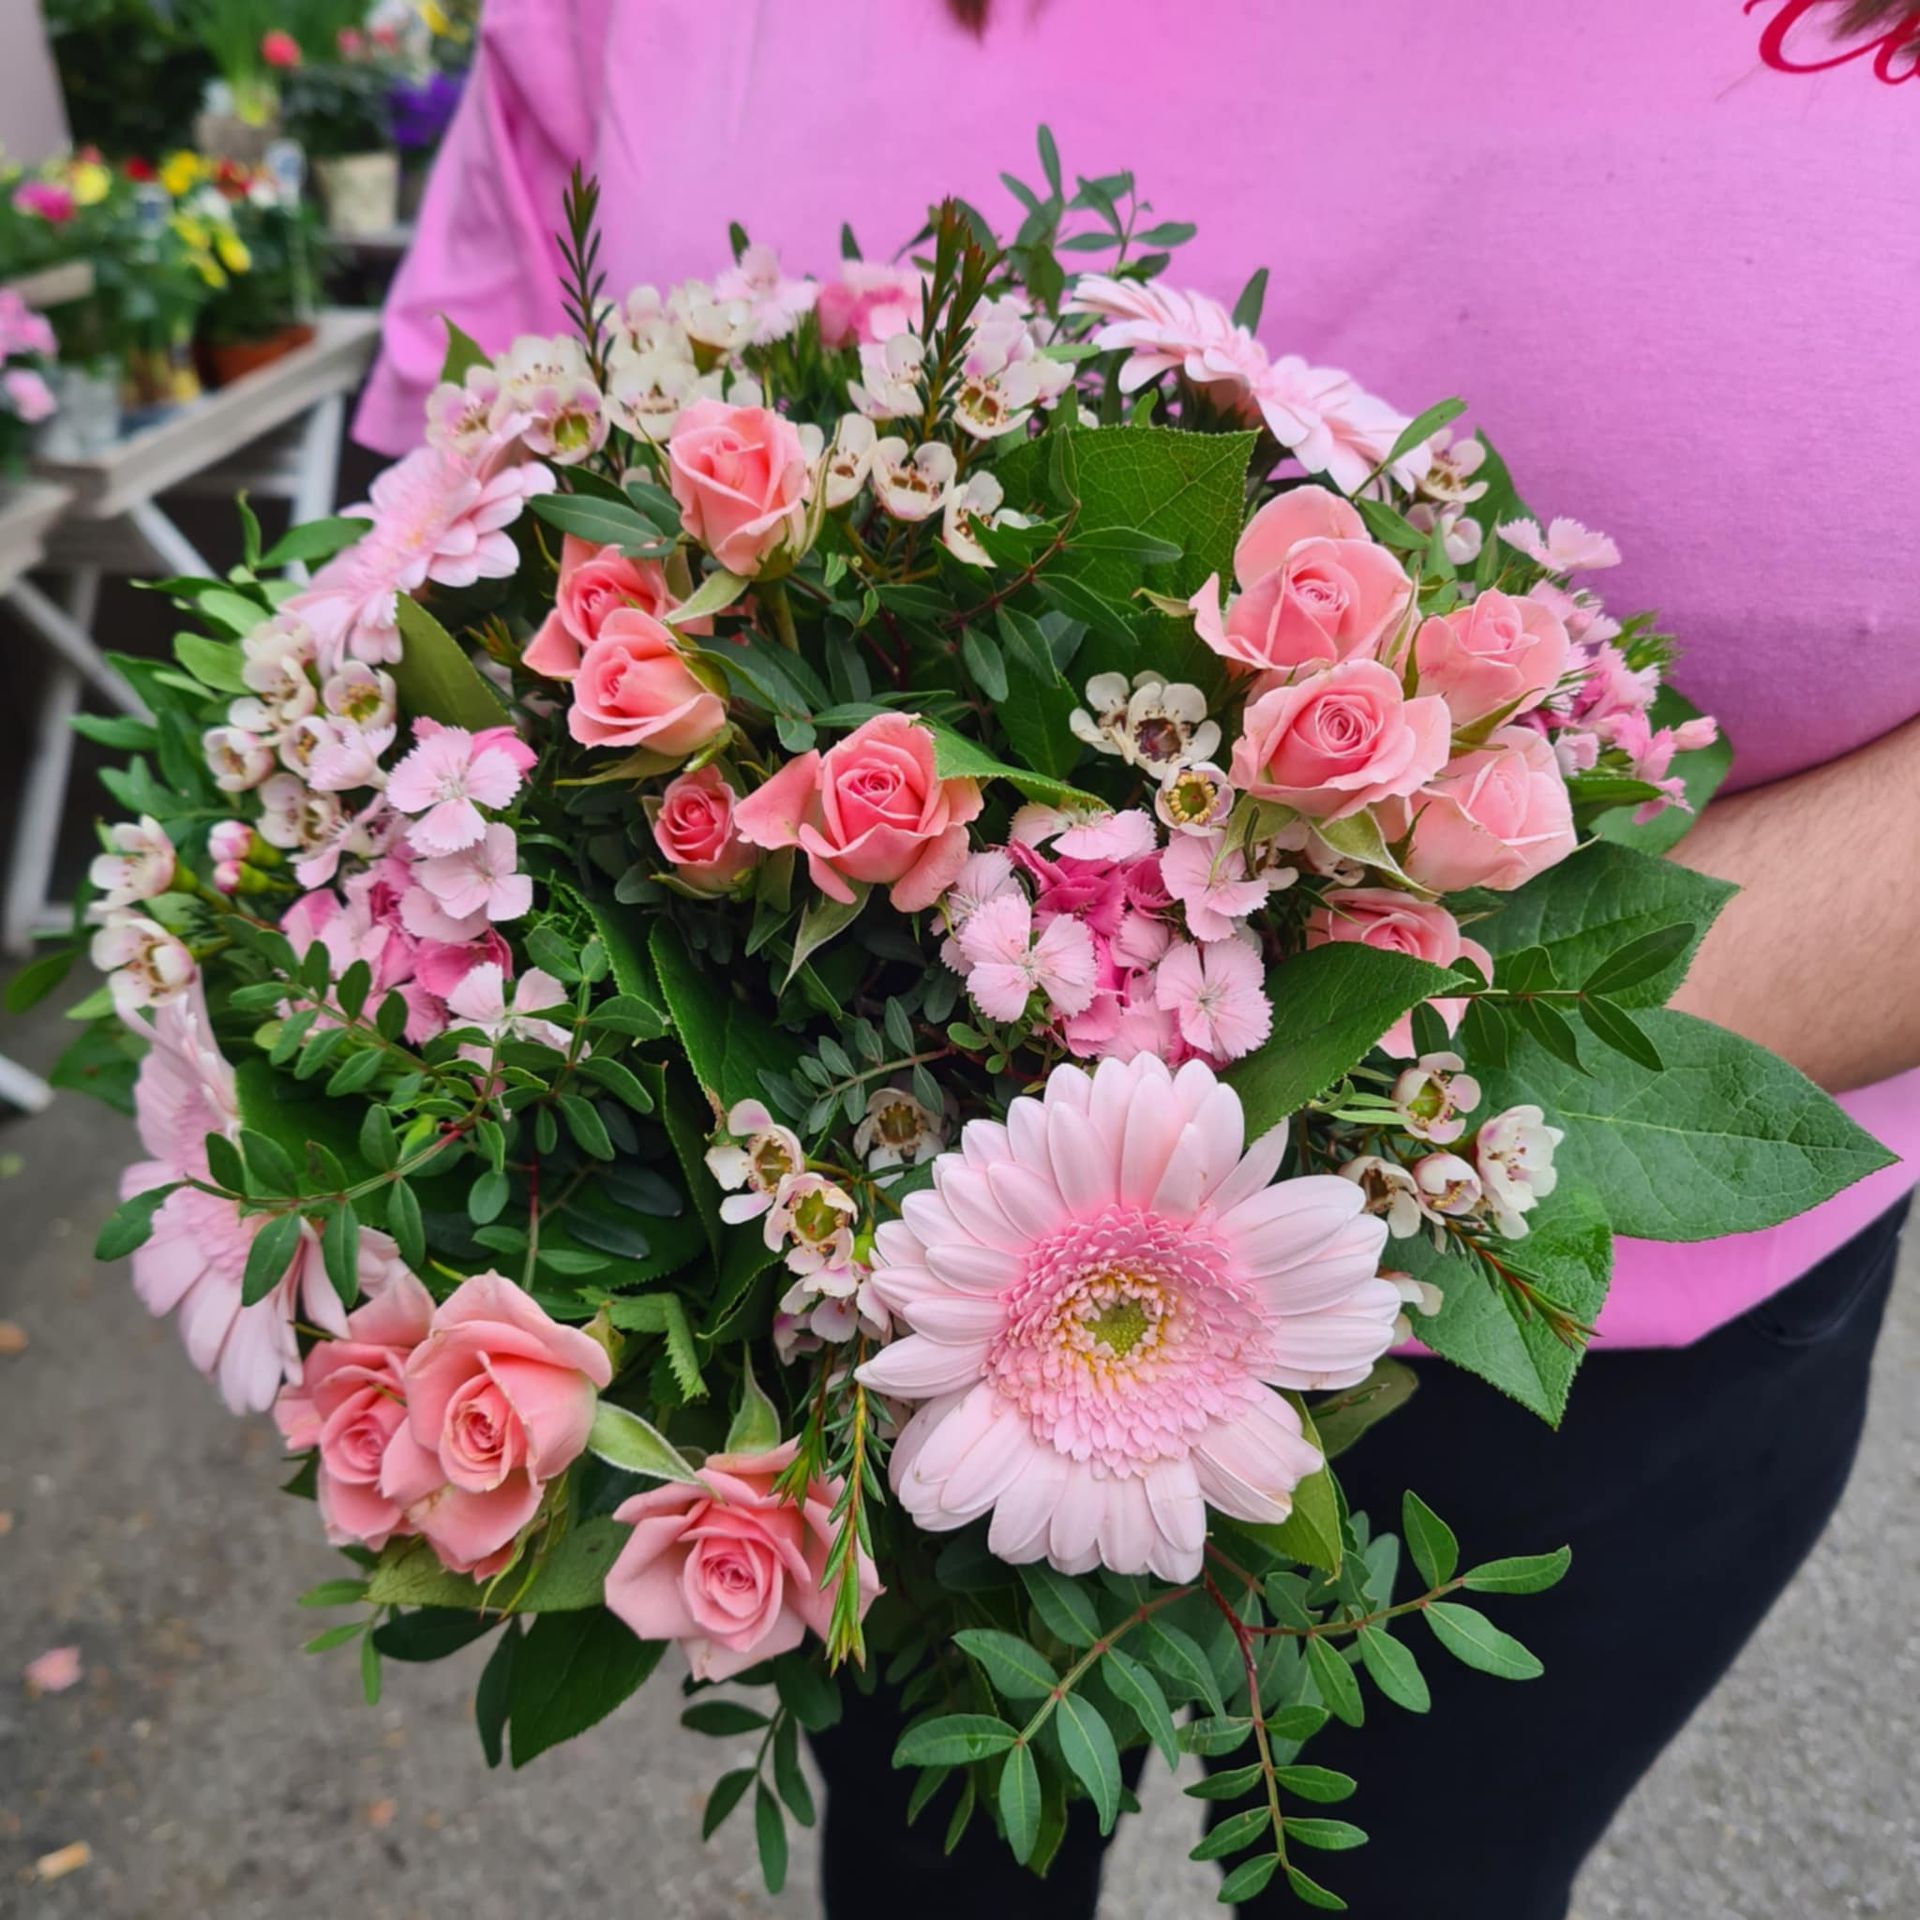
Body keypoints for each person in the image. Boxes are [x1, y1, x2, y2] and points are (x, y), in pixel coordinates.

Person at [355, 4, 1920, 1913]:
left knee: (1425, 1880)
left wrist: (1353, 1096)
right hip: (847, 1295)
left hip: (1599, 1312)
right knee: (937, 1856)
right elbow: (436, 500)